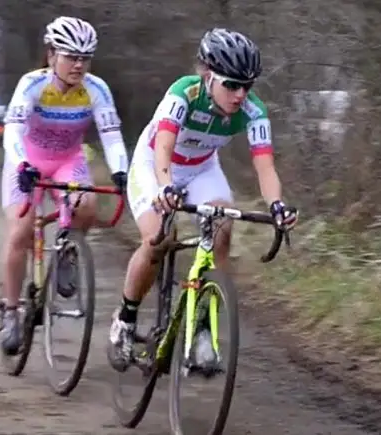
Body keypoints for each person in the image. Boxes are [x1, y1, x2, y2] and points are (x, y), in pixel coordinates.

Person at [107, 28, 298, 374]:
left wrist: (276, 206)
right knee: (157, 240)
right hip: (155, 165)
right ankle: (126, 317)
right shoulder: (184, 93)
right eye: (231, 85)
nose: (240, 95)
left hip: (201, 169)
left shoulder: (254, 112)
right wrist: (165, 188)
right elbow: (163, 146)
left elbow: (265, 166)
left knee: (222, 227)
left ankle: (202, 332)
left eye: (247, 86)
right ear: (208, 76)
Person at [0, 16, 129, 355]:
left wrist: (120, 172)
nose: (78, 64)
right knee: (21, 231)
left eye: (85, 57)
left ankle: (68, 253)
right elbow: (12, 131)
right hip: (28, 159)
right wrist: (23, 165)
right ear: (52, 54)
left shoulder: (96, 89)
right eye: (71, 56)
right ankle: (11, 310)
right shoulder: (32, 84)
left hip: (68, 161)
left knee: (86, 205)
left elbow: (111, 135)